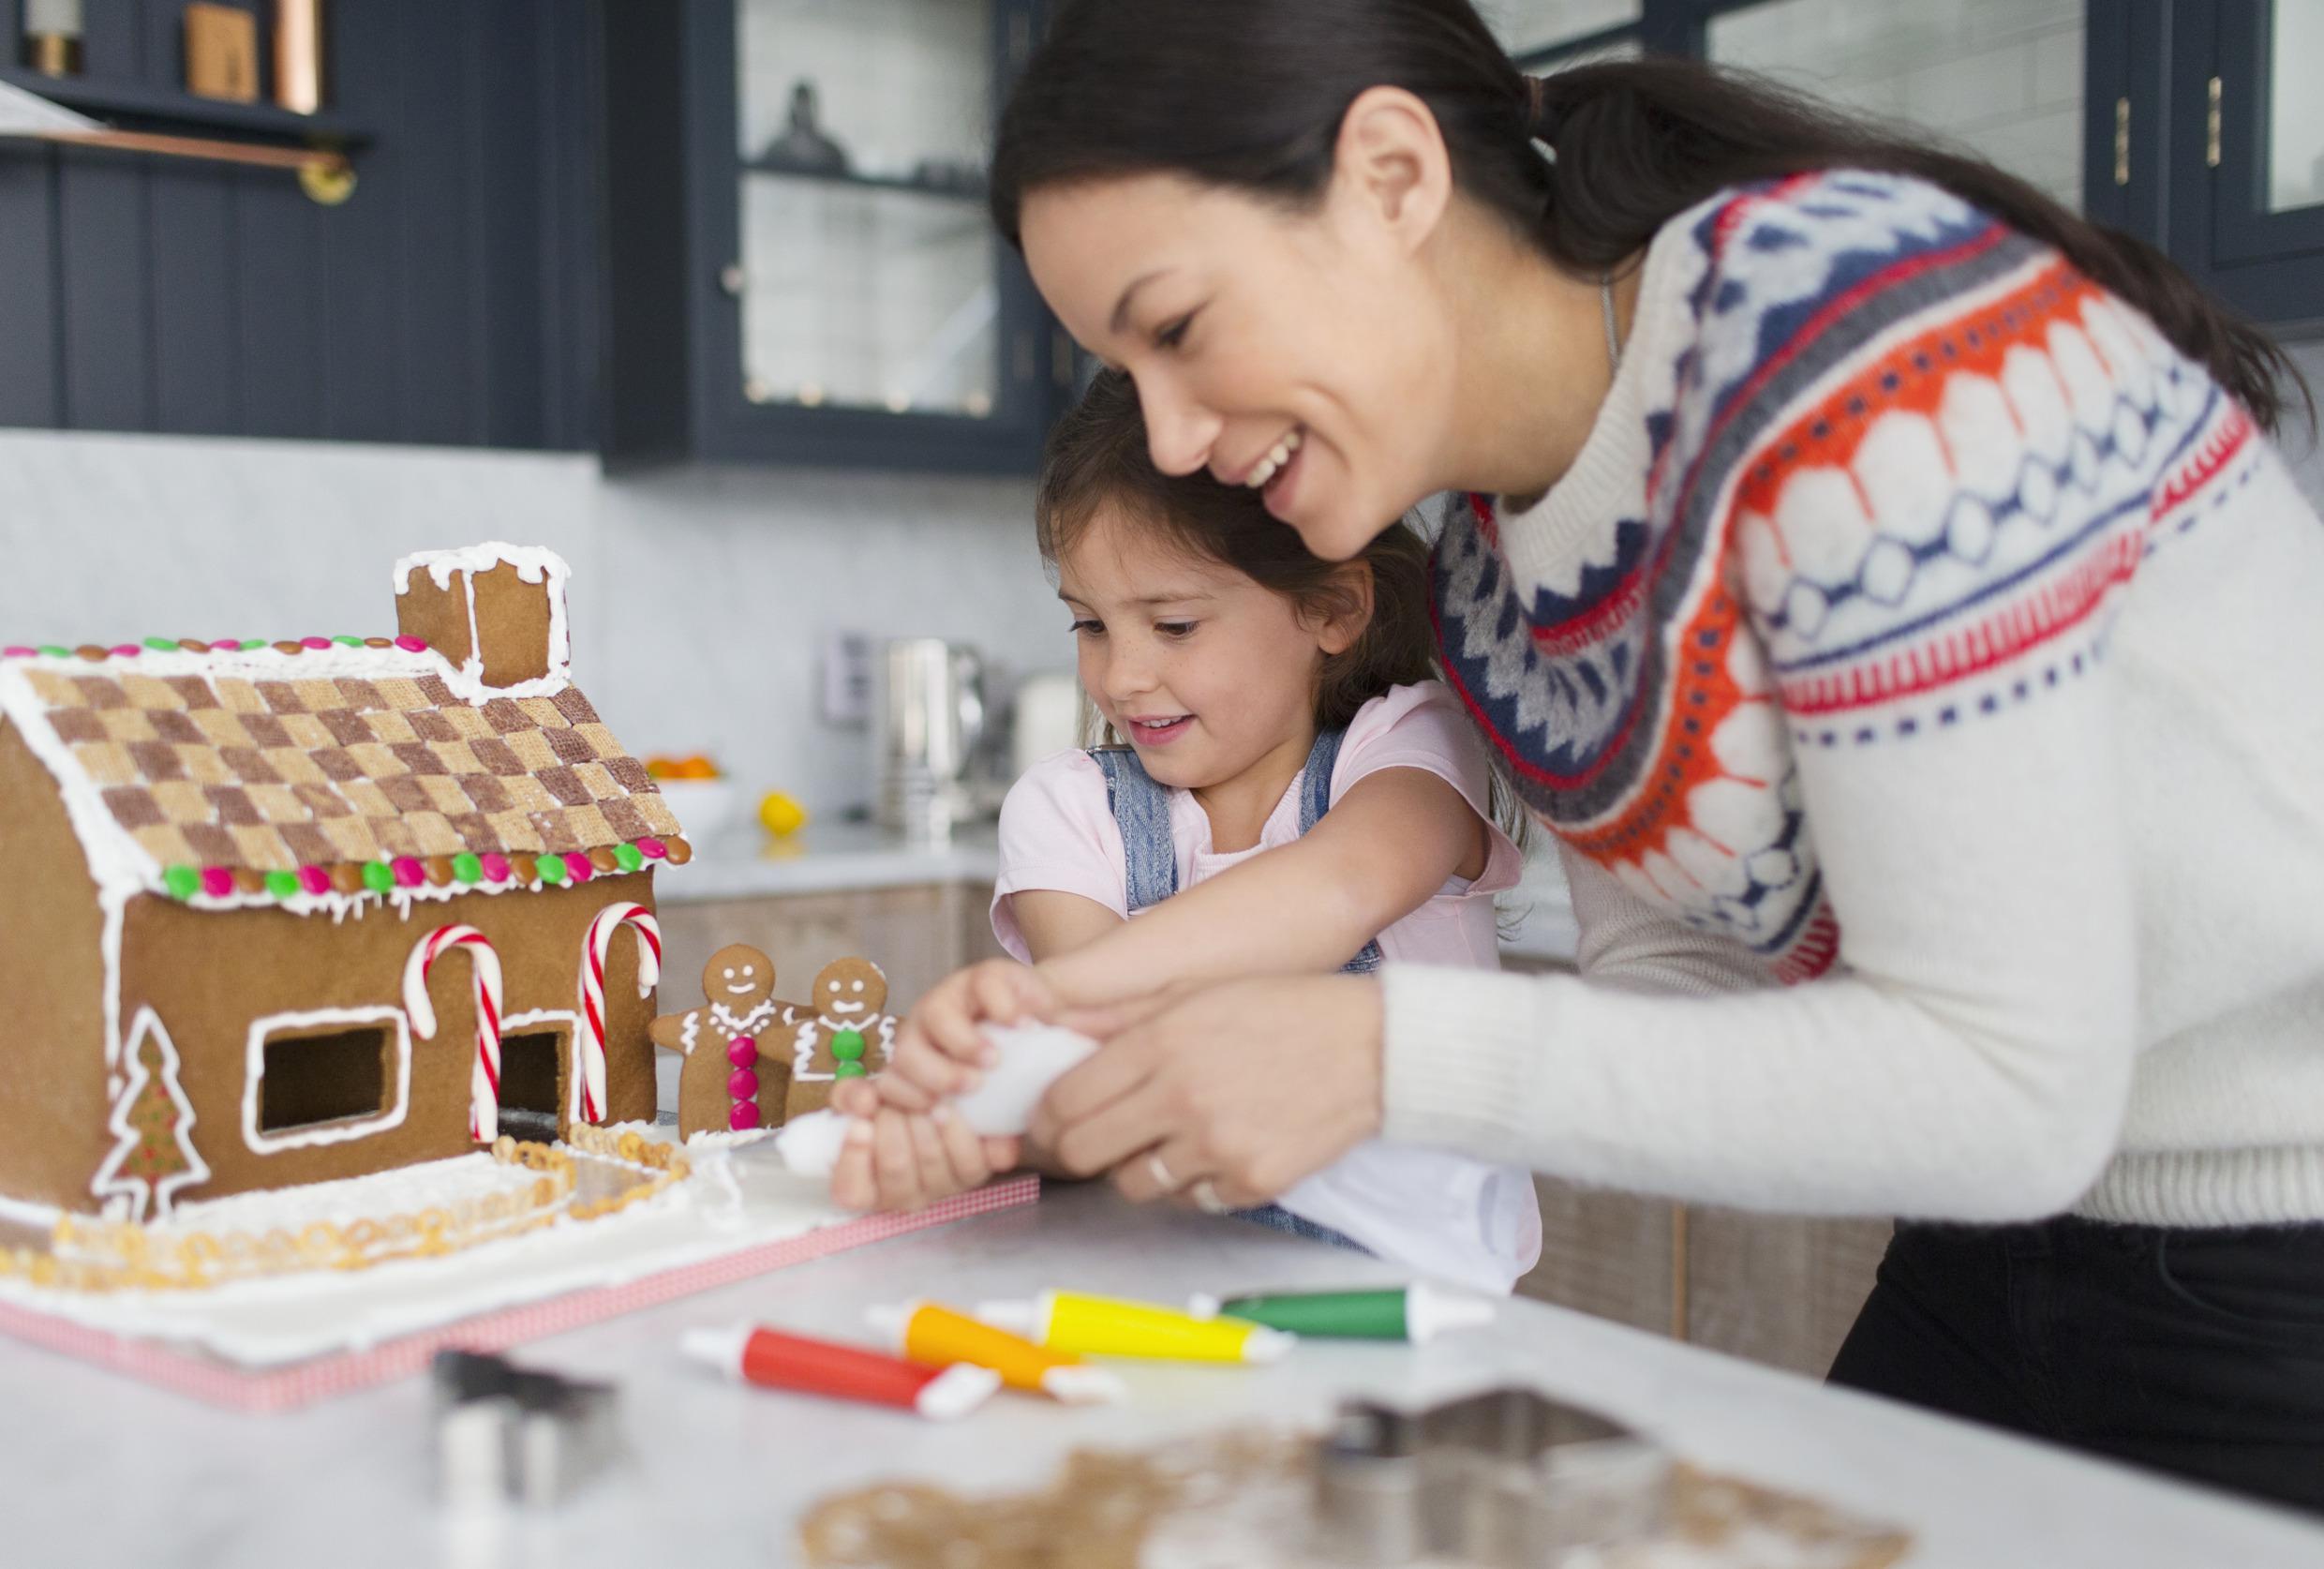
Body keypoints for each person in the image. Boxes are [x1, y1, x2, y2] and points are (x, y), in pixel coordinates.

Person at [865, 0, 2324, 1511]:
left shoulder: (1837, 342)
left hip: (2279, 1253)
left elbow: (2014, 1085)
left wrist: (1374, 1057)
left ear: (1388, 175)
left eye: (1177, 330)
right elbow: (1685, 989)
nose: (1167, 437)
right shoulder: (1499, 581)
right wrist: (1078, 1016)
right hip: (1984, 1250)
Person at [830, 370, 1540, 1293]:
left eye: (1171, 625)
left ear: (1330, 608)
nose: (1119, 677)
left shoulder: (1408, 748)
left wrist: (1045, 1003)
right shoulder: (1068, 810)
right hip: (1175, 1281)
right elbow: (1097, 1073)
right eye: (1088, 625)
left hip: (1425, 1297)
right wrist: (967, 1128)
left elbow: (1333, 889)